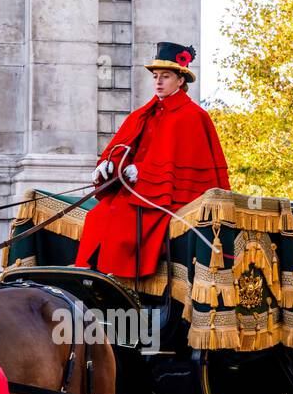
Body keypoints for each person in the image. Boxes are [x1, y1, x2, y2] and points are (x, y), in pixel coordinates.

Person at [75, 41, 229, 279]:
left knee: (120, 221)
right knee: (98, 215)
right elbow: (122, 147)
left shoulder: (193, 117)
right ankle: (91, 274)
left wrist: (144, 172)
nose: (158, 81)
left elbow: (187, 171)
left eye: (165, 76)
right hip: (137, 192)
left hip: (168, 199)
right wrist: (107, 165)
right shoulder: (144, 113)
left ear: (180, 80)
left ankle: (115, 278)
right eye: (156, 76)